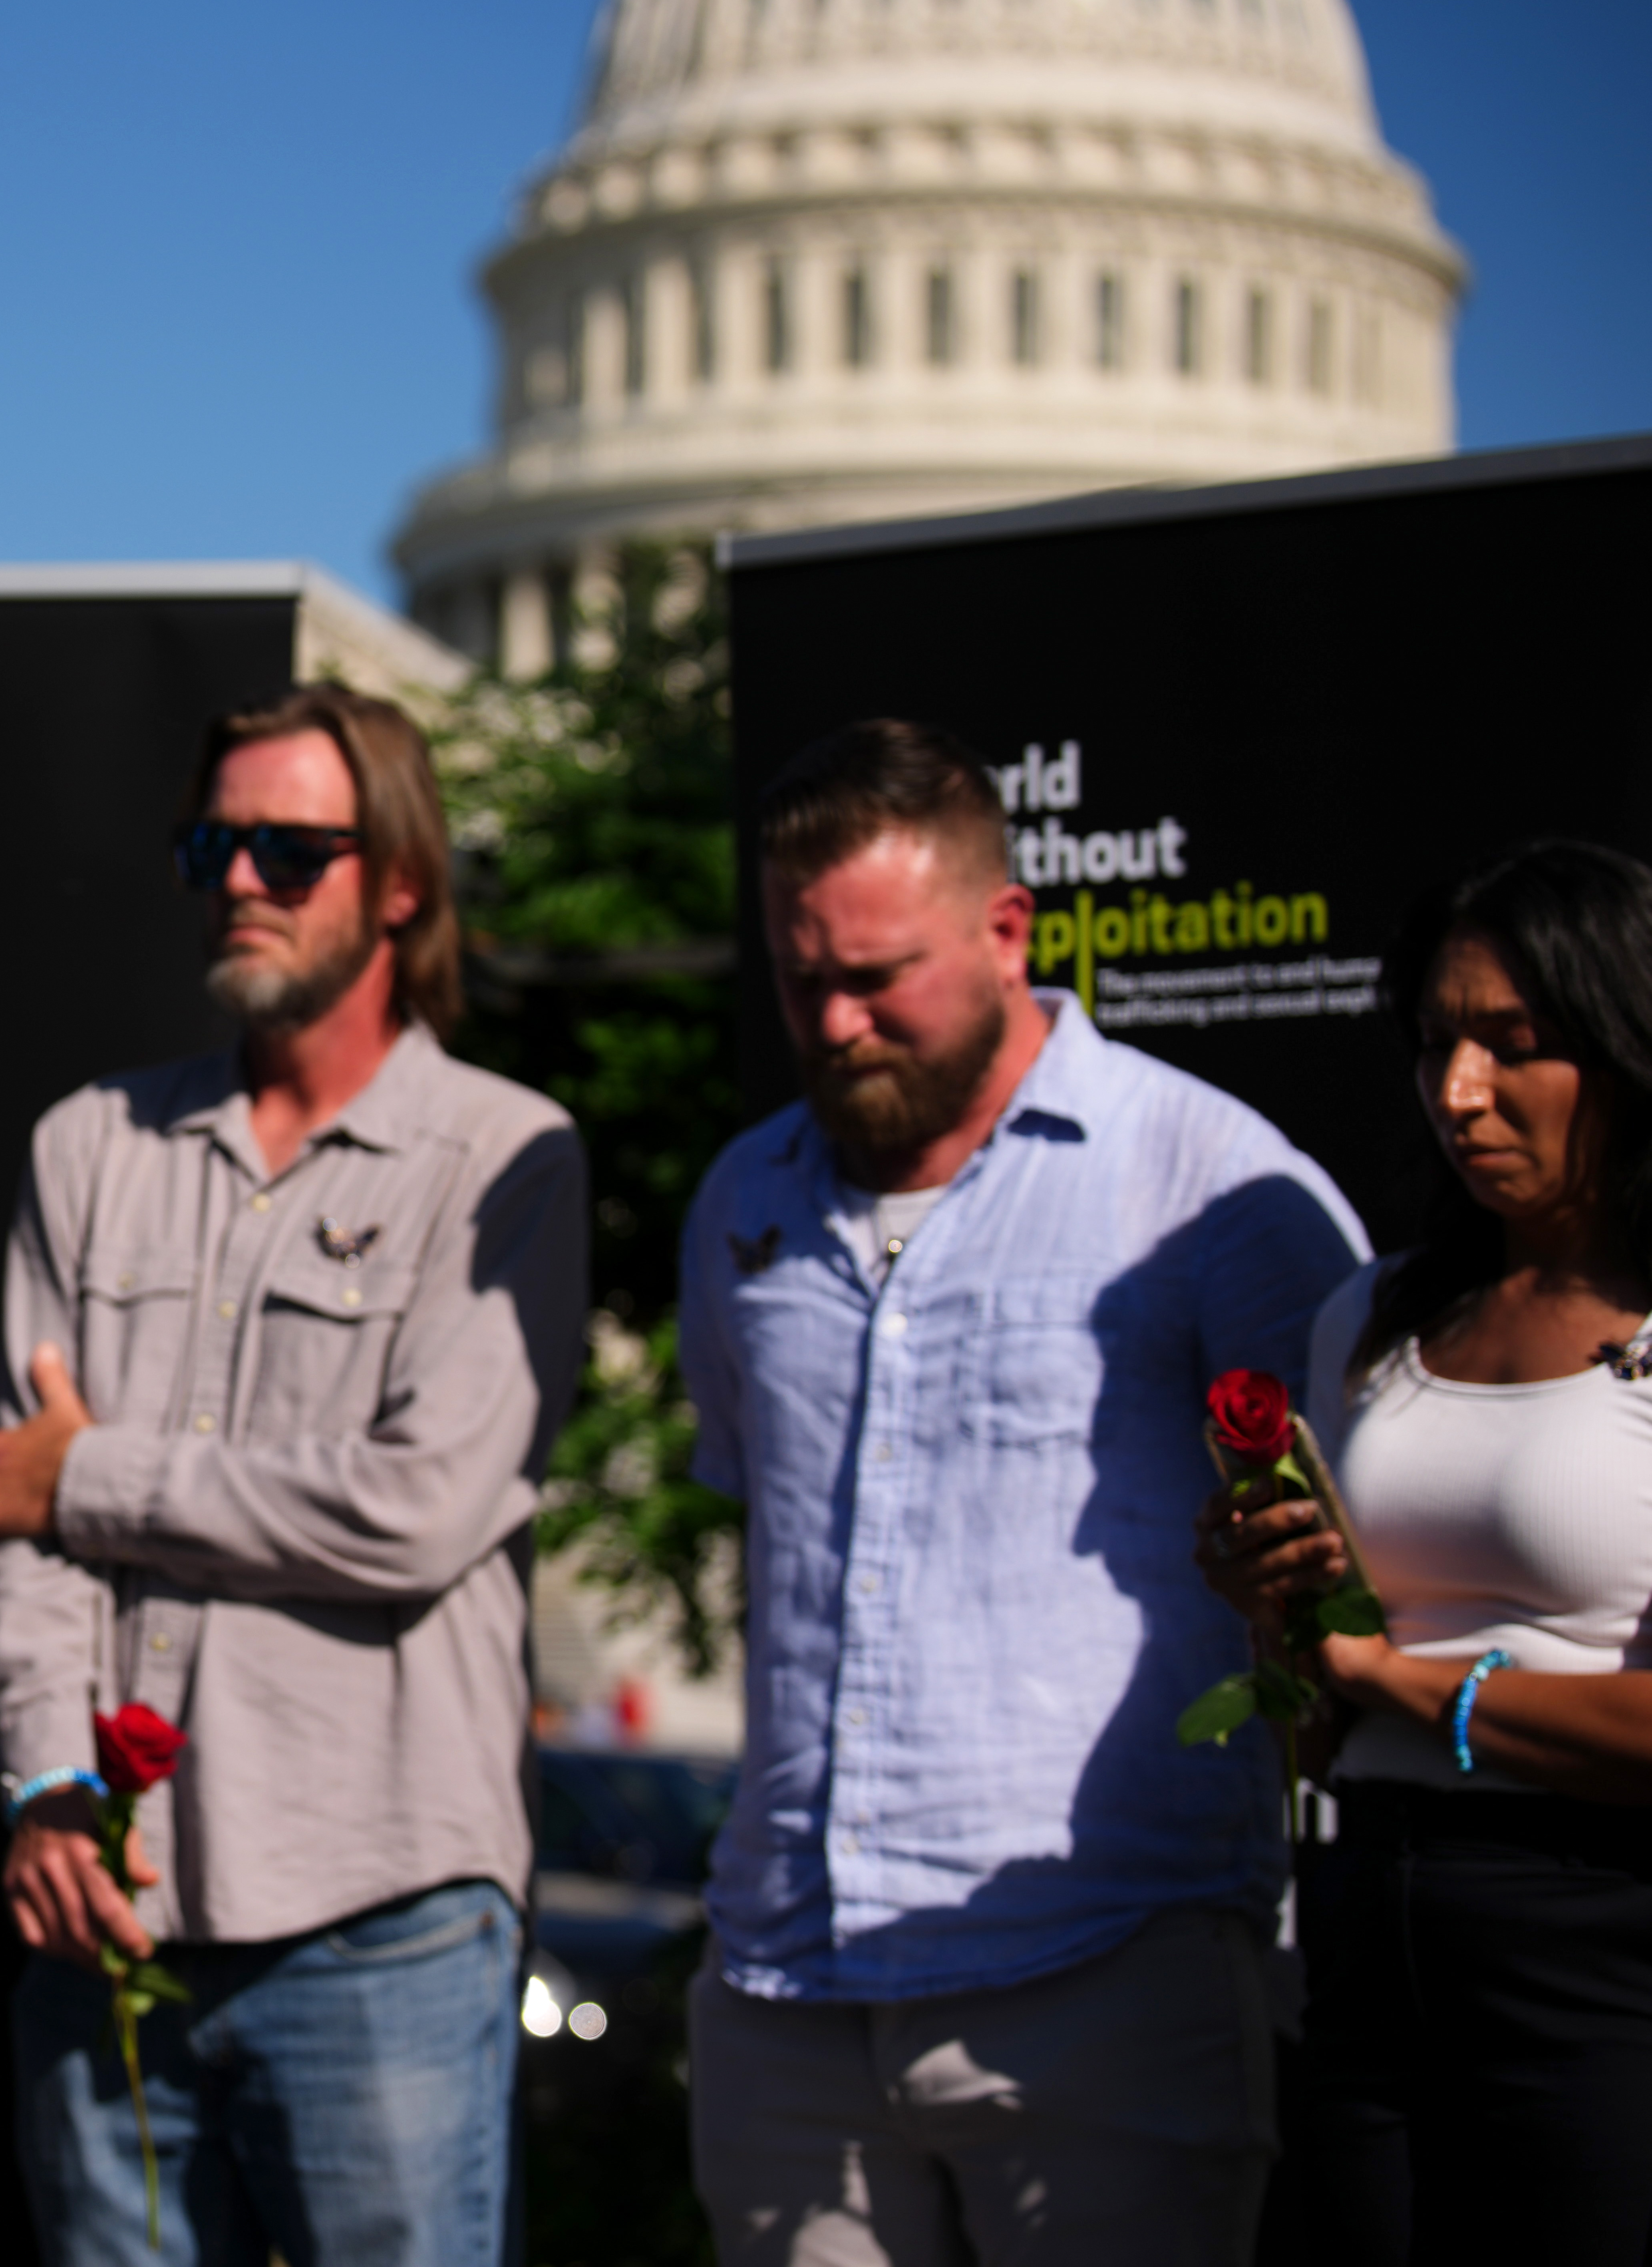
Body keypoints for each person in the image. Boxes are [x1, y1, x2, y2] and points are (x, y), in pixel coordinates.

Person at [675, 719, 1368, 2267]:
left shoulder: (1209, 1188)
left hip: (1104, 1969)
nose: (837, 1021)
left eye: (878, 977)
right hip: (788, 1987)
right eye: (801, 982)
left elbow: (1345, 1578)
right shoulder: (743, 1202)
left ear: (1007, 932)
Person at [0, 683, 586, 2267]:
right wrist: (44, 1786)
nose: (240, 877)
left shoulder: (505, 1162)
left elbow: (414, 1512)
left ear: (397, 881)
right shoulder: (87, 1150)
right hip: (104, 1918)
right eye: (212, 842)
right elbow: (17, 1540)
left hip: (383, 1916)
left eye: (289, 848)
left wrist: (88, 1476)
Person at [1196, 840, 1652, 2263]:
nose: (1460, 1091)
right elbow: (1323, 1727)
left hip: (1606, 1944)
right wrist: (1275, 1609)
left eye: (1514, 1045)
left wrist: (1410, 1681)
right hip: (1369, 1920)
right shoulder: (1372, 1316)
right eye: (1438, 1043)